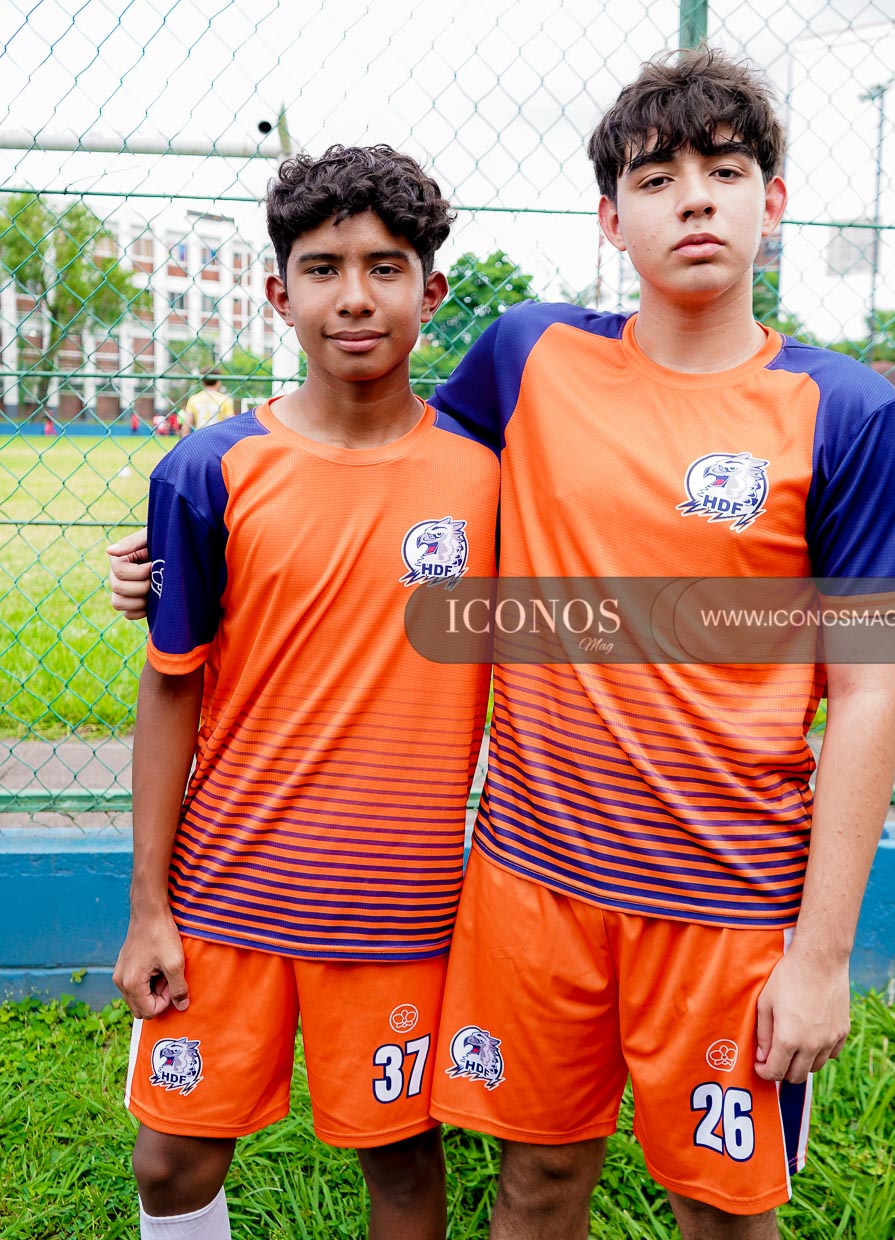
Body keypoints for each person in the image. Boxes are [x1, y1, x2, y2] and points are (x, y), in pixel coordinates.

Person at [110, 49, 895, 1240]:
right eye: (656, 178)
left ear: (773, 201)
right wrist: (174, 552)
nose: (694, 200)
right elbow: (370, 458)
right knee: (535, 1183)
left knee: (721, 1213)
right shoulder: (531, 356)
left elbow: (866, 693)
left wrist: (821, 954)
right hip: (533, 882)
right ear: (609, 218)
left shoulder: (847, 411)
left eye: (724, 170)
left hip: (729, 895)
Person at [111, 144, 497, 1240]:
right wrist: (148, 907)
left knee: (402, 1166)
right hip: (224, 893)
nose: (354, 298)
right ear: (279, 294)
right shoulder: (208, 469)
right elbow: (170, 689)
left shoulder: (490, 474)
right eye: (323, 269)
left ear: (431, 289)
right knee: (170, 1162)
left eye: (385, 267)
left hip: (402, 905)